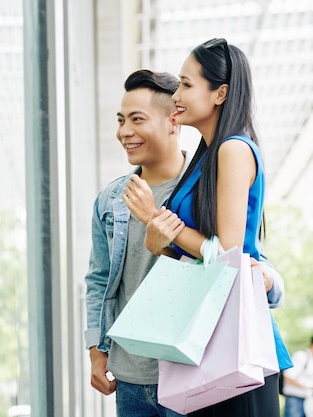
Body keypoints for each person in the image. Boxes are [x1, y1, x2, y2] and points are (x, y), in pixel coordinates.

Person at [124, 38, 291, 417]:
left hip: (235, 344)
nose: (176, 95)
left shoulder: (233, 149)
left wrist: (156, 218)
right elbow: (190, 249)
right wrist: (159, 241)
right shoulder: (207, 154)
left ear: (220, 93)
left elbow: (226, 251)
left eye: (186, 84)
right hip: (207, 343)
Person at [84, 69, 189, 417]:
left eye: (137, 119)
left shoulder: (202, 192)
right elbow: (98, 279)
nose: (124, 132)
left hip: (188, 373)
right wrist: (96, 350)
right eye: (121, 120)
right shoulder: (110, 199)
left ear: (174, 121)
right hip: (128, 379)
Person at [282, 336, 313, 417]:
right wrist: (308, 387)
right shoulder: (301, 356)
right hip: (295, 398)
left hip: (308, 400)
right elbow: (288, 377)